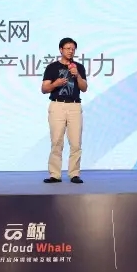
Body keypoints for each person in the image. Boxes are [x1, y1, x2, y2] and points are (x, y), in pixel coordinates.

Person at [41, 38, 88, 184]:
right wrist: (56, 84)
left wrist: (77, 75)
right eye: (68, 48)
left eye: (73, 49)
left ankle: (74, 174)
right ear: (61, 50)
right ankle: (55, 174)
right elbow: (44, 89)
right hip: (57, 106)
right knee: (56, 141)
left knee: (76, 143)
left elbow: (84, 88)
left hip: (74, 106)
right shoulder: (52, 67)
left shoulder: (79, 67)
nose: (71, 51)